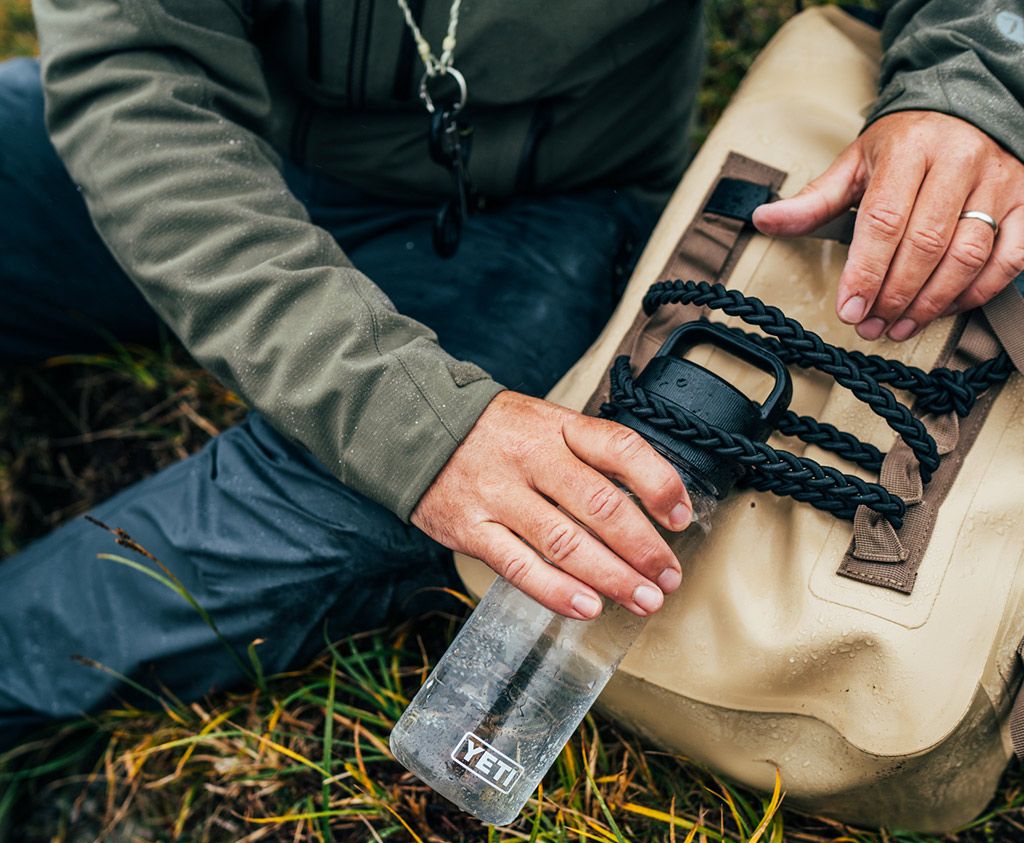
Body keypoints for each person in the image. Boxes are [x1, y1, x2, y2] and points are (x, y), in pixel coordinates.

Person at [1, 0, 1022, 746]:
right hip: (226, 139)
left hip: (545, 211)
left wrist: (969, 87)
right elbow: (137, 88)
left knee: (179, 567)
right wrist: (406, 419)